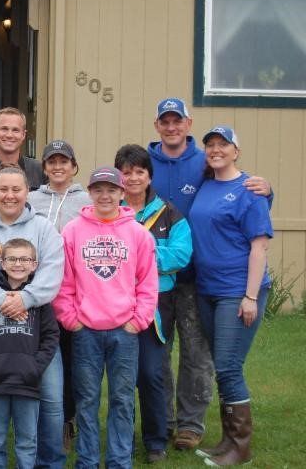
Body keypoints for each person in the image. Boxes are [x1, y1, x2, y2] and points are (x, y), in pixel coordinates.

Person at [148, 97, 271, 449]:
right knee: (156, 355)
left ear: (188, 124)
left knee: (197, 355)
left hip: (194, 280)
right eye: (165, 121)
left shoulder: (203, 161)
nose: (172, 127)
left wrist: (268, 189)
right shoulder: (146, 161)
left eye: (178, 121)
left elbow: (237, 193)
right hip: (153, 280)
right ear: (157, 125)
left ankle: (190, 425)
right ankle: (163, 422)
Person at [0, 166, 66, 468]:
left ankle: (49, 462)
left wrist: (25, 299)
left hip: (36, 331)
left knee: (52, 401)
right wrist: (2, 300)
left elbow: (53, 269)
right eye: (3, 189)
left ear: (27, 191)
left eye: (16, 189)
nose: (10, 195)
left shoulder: (43, 228)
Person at [52, 166, 158, 469]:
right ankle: (87, 461)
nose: (105, 195)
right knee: (86, 401)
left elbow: (147, 283)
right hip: (86, 330)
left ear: (122, 194)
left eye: (111, 190)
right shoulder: (73, 231)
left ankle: (119, 461)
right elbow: (64, 282)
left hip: (124, 332)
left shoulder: (137, 234)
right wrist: (71, 319)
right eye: (98, 189)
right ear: (90, 192)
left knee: (122, 401)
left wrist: (138, 321)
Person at [188, 126, 272, 467]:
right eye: (210, 145)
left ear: (236, 151)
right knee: (223, 367)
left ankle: (241, 447)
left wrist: (250, 296)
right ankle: (226, 440)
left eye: (224, 144)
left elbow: (259, 247)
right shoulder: (207, 185)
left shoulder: (249, 189)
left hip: (237, 291)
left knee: (228, 367)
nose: (216, 149)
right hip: (207, 289)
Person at [115, 144, 192, 464]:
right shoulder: (110, 211)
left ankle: (156, 440)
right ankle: (123, 439)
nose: (133, 177)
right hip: (114, 302)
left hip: (154, 304)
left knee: (150, 373)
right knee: (121, 378)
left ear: (149, 176)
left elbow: (181, 255)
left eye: (139, 171)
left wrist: (138, 256)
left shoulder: (169, 213)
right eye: (127, 171)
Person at [0, 238, 60, 469]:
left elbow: (51, 336)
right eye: (12, 258)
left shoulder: (39, 301)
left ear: (34, 264)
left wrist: (35, 366)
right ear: (2, 263)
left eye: (24, 259)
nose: (18, 264)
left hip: (27, 382)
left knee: (27, 442)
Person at [27, 139, 90, 451]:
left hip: (74, 296)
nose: (57, 167)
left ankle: (66, 421)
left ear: (74, 166)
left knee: (70, 361)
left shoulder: (87, 201)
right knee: (39, 359)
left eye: (63, 161)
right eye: (51, 162)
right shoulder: (30, 200)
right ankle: (36, 423)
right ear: (45, 167)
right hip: (37, 294)